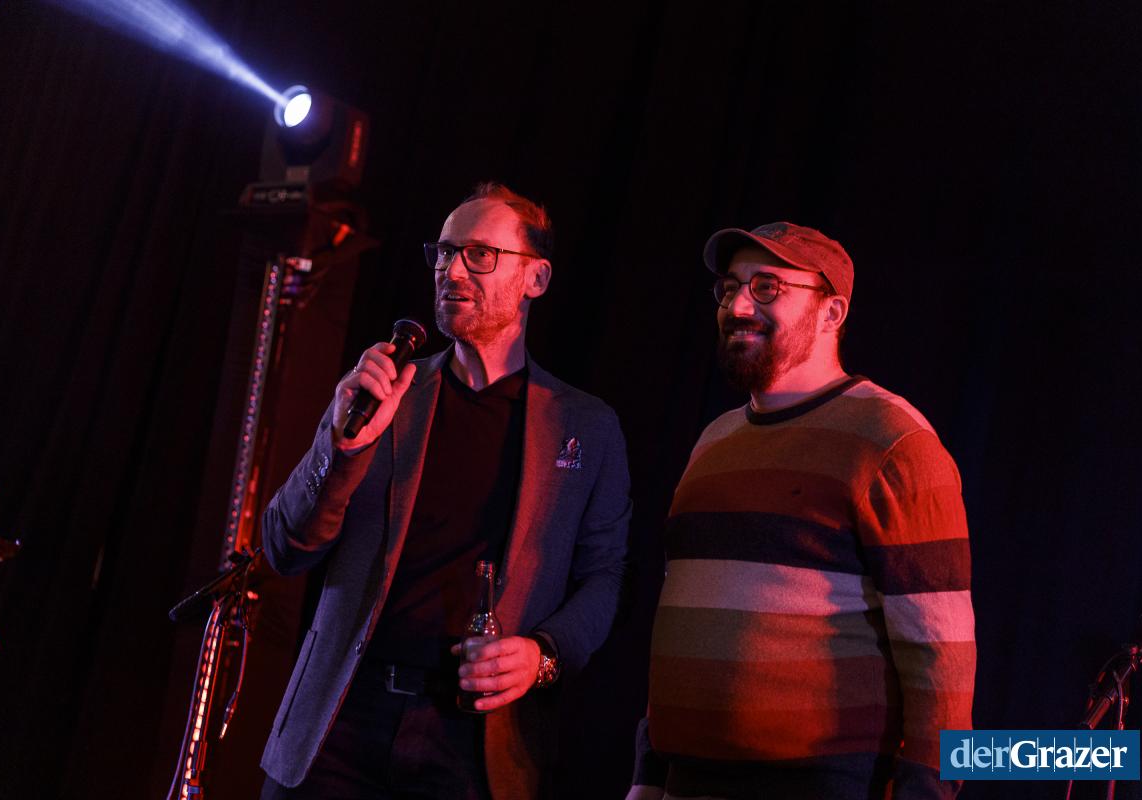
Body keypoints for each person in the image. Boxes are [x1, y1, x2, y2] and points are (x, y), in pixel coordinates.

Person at [259, 182, 632, 799]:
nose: (452, 270)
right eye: (444, 252)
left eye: (479, 254)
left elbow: (605, 576)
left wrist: (543, 654)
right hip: (341, 722)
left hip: (473, 741)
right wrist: (340, 449)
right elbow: (284, 548)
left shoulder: (585, 426)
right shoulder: (389, 395)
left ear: (535, 278)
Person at [629, 222, 975, 800]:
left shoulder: (892, 440)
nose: (738, 306)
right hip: (686, 780)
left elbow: (941, 652)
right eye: (730, 287)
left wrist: (926, 789)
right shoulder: (714, 441)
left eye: (767, 287)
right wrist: (650, 773)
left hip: (818, 784)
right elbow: (686, 618)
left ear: (832, 312)